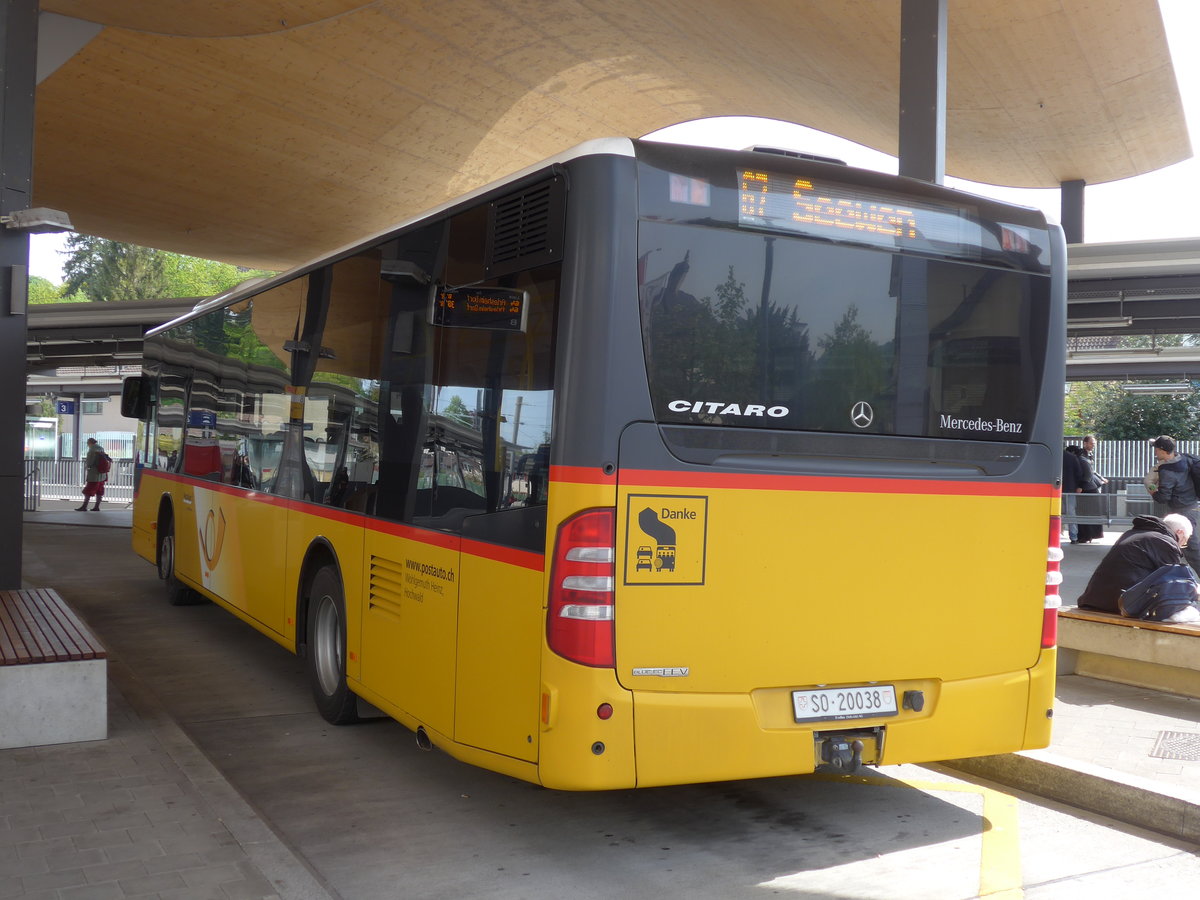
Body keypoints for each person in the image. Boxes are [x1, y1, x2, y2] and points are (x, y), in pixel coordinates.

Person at [1076, 513, 1195, 614]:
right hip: (1121, 604)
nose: (1182, 546)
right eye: (1185, 541)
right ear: (1179, 532)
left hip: (1093, 599)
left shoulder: (1132, 534)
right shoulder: (1165, 541)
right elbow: (1176, 582)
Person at [1145, 435, 1200, 572]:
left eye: (1156, 449)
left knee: (1191, 550)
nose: (1155, 452)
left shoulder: (1168, 471)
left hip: (1183, 512)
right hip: (1192, 507)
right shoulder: (1185, 459)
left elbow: (1163, 497)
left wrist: (1152, 489)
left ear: (1162, 450)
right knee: (1174, 545)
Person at [1066, 445, 1104, 543]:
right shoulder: (1081, 459)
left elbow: (1088, 475)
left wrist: (1081, 486)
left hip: (1087, 489)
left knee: (1085, 514)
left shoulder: (1080, 460)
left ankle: (1085, 536)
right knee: (1085, 514)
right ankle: (1086, 536)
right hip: (1087, 489)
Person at [1062, 444, 1086, 544]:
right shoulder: (1072, 457)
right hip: (1070, 488)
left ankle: (1049, 534)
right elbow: (1079, 473)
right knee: (1071, 512)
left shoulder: (1049, 456)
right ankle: (1073, 536)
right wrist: (1079, 486)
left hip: (1052, 488)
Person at [77, 437, 108, 511]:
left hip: (94, 474)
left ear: (90, 442)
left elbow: (90, 462)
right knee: (99, 491)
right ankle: (97, 507)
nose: (87, 445)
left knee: (88, 490)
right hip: (102, 474)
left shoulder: (92, 449)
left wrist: (88, 467)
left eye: (87, 443)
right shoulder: (101, 448)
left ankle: (84, 506)